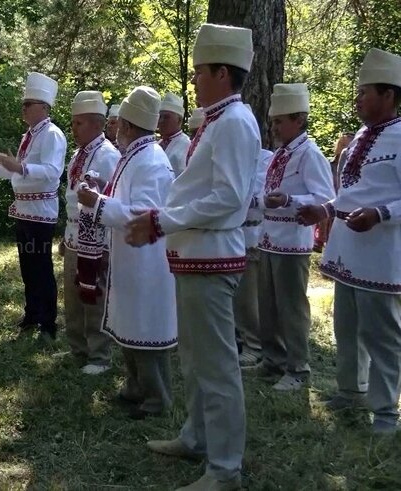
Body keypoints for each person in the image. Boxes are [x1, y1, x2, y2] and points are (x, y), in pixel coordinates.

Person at [126, 23, 260, 491]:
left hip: (213, 260)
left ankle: (225, 469)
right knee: (197, 360)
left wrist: (162, 221)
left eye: (201, 71)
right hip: (195, 256)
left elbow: (228, 198)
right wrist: (163, 218)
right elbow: (203, 191)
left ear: (223, 73)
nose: (194, 80)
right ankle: (197, 436)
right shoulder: (219, 122)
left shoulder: (237, 123)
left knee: (217, 365)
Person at [297, 48, 401, 434]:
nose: (357, 100)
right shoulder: (359, 136)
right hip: (347, 249)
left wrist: (381, 213)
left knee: (381, 333)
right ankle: (349, 390)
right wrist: (325, 208)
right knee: (347, 325)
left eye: (364, 93)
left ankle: (386, 411)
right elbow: (351, 192)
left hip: (380, 251)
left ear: (388, 95)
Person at [77, 86, 177, 419]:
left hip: (146, 260)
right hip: (129, 257)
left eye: (119, 124)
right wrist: (99, 196)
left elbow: (143, 214)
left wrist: (98, 203)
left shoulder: (151, 160)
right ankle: (136, 386)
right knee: (130, 326)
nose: (115, 130)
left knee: (144, 328)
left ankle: (156, 399)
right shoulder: (135, 155)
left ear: (130, 127)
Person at [0, 72, 67, 342]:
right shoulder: (30, 136)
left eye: (27, 104)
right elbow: (15, 172)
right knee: (27, 267)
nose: (23, 108)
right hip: (23, 210)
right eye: (23, 104)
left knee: (41, 268)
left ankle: (48, 324)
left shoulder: (53, 135)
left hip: (41, 213)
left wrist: (19, 166)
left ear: (43, 107)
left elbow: (53, 172)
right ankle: (32, 315)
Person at [248, 83, 335, 390]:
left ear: (299, 119)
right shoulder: (279, 154)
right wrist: (260, 201)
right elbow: (266, 191)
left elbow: (325, 198)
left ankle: (298, 368)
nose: (274, 127)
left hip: (293, 243)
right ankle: (272, 360)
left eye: (280, 121)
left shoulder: (310, 154)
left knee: (291, 308)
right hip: (269, 238)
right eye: (273, 121)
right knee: (268, 305)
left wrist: (289, 201)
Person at [62, 91, 120, 374]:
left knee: (94, 294)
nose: (74, 129)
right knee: (72, 295)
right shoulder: (78, 155)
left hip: (97, 240)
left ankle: (100, 355)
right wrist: (65, 236)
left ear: (98, 124)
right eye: (73, 123)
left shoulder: (108, 155)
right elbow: (72, 199)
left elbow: (107, 198)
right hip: (74, 235)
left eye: (79, 124)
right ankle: (78, 347)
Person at [234, 108, 272, 368]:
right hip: (233, 235)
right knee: (236, 295)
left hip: (252, 235)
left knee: (249, 296)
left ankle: (254, 345)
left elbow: (262, 196)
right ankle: (239, 338)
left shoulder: (265, 159)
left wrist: (239, 200)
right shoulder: (235, 157)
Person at [314, 132, 355, 252]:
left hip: (342, 195)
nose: (345, 148)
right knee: (325, 205)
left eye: (348, 145)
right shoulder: (329, 164)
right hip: (330, 194)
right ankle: (320, 240)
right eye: (343, 145)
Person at [158, 93, 192, 177]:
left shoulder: (186, 144)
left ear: (179, 120)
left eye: (166, 117)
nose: (161, 121)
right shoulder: (158, 144)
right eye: (160, 117)